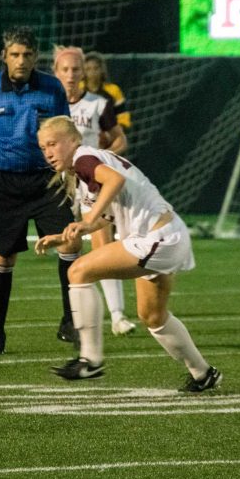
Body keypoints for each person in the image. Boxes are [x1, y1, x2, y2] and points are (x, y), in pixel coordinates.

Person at [34, 116, 222, 392]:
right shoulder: (81, 169)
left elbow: (115, 181)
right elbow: (107, 216)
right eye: (42, 147)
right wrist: (65, 236)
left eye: (53, 144)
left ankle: (91, 359)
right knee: (152, 316)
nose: (48, 152)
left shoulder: (84, 157)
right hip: (166, 234)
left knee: (78, 270)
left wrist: (87, 221)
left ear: (74, 140)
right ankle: (203, 373)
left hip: (157, 237)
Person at [0, 26, 81, 355]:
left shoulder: (51, 89)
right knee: (3, 257)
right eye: (14, 54)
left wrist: (68, 175)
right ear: (4, 57)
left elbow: (65, 135)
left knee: (69, 242)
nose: (21, 60)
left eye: (27, 54)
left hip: (46, 181)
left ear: (36, 57)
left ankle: (71, 320)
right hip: (1, 183)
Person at [53, 45, 137, 336]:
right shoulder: (50, 106)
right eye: (65, 69)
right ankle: (72, 319)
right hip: (59, 186)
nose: (72, 75)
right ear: (56, 73)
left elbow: (120, 140)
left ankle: (117, 316)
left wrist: (103, 160)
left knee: (103, 246)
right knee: (68, 247)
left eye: (76, 69)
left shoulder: (98, 104)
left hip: (90, 183)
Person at [83, 51, 132, 132]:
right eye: (88, 69)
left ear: (102, 70)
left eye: (96, 68)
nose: (92, 72)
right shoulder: (77, 90)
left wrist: (113, 135)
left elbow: (123, 117)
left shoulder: (113, 90)